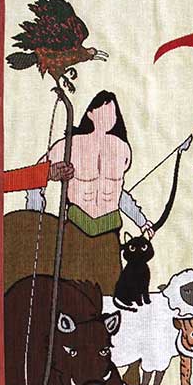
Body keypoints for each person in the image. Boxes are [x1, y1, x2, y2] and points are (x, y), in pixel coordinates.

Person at [24, 91, 153, 291]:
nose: (109, 117)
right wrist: (34, 216)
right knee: (72, 290)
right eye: (103, 111)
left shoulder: (122, 149)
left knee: (110, 290)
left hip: (109, 230)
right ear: (90, 113)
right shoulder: (68, 145)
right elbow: (35, 177)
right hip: (76, 228)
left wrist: (142, 221)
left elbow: (119, 193)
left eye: (113, 113)